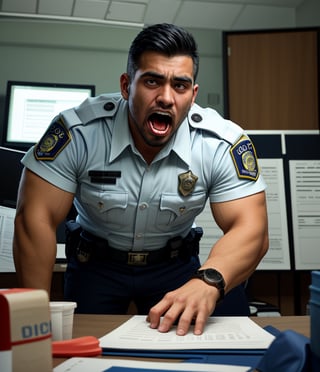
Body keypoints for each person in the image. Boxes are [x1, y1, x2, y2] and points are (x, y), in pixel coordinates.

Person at [13, 23, 268, 336]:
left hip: (175, 267)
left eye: (180, 86)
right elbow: (34, 219)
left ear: (193, 94)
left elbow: (251, 228)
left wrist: (209, 281)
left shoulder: (220, 143)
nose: (166, 97)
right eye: (152, 81)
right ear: (126, 85)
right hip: (96, 267)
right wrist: (33, 320)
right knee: (80, 351)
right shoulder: (78, 133)